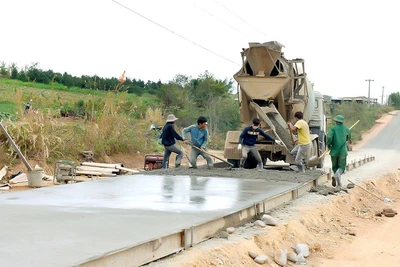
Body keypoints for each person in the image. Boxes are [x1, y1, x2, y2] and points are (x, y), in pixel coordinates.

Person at [327, 115, 351, 187]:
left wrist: (329, 145)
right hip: (342, 152)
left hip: (334, 152)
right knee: (341, 168)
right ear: (342, 122)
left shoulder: (333, 128)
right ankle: (337, 176)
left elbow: (329, 137)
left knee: (335, 167)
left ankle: (339, 184)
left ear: (336, 121)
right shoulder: (346, 129)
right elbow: (348, 138)